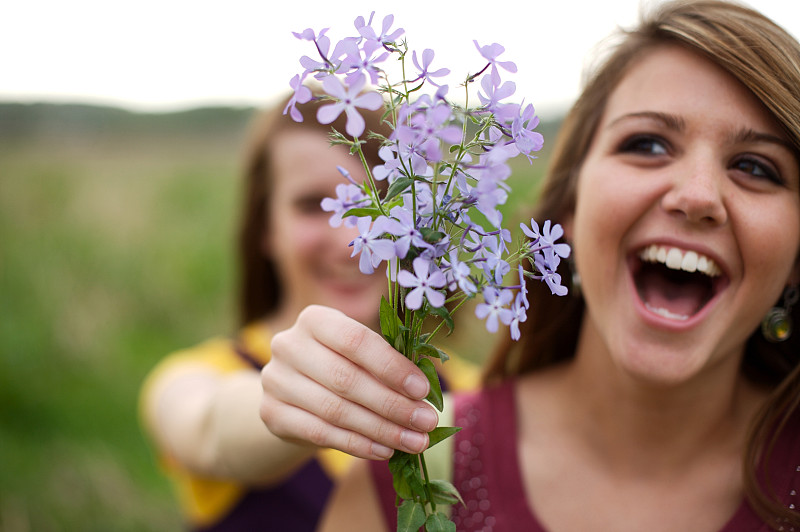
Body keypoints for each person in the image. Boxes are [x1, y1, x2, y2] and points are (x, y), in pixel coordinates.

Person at [259, 1, 800, 530]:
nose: (697, 195)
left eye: (756, 167)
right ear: (569, 208)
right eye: (648, 143)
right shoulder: (412, 468)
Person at [138, 94, 483, 531]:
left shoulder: (474, 392)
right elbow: (206, 431)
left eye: (379, 202)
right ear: (265, 227)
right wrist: (279, 403)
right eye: (313, 205)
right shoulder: (193, 375)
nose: (348, 240)